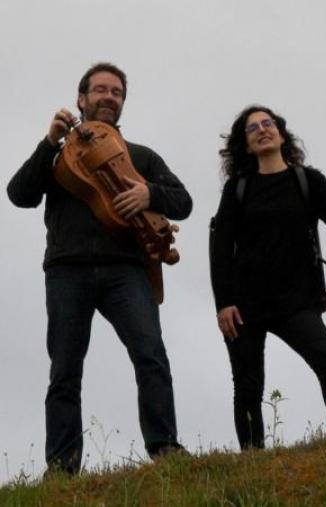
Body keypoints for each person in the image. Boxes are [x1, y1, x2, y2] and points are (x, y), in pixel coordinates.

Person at [7, 62, 191, 474]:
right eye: (100, 90)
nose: (109, 98)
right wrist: (48, 142)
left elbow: (184, 202)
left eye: (117, 93)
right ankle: (62, 468)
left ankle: (165, 448)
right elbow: (19, 194)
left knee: (151, 356)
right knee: (65, 372)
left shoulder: (140, 156)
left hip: (126, 271)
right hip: (66, 271)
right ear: (81, 98)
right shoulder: (57, 159)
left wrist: (149, 193)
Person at [210, 105, 326, 449]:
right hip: (245, 305)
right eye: (253, 128)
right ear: (245, 145)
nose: (262, 130)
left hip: (297, 300)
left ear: (280, 133)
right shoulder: (237, 188)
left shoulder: (309, 181)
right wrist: (224, 303)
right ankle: (253, 458)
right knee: (247, 386)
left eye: (268, 124)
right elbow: (220, 249)